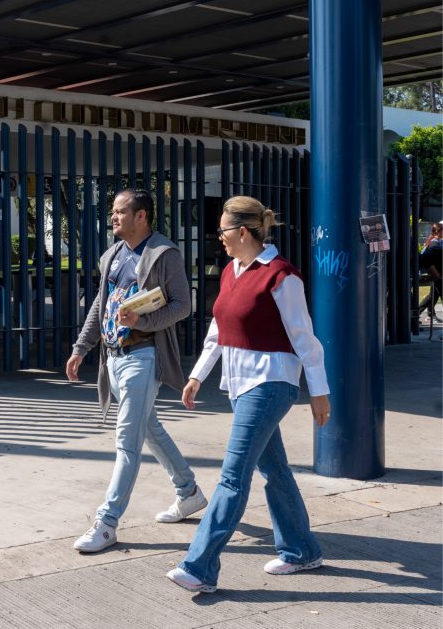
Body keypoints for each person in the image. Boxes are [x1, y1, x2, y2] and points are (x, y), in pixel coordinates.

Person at [166, 196, 331, 594]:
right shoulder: (231, 271)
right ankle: (301, 550)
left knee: (232, 477)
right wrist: (197, 375)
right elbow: (218, 329)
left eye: (222, 231)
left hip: (271, 383)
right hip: (239, 385)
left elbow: (305, 338)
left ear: (242, 232)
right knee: (274, 471)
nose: (218, 238)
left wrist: (319, 392)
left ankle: (200, 567)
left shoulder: (281, 276)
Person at [66, 188, 207, 553]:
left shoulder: (164, 254)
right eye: (113, 211)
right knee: (148, 428)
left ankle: (107, 522)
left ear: (141, 215)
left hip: (143, 356)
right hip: (112, 357)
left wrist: (145, 318)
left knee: (126, 440)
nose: (113, 217)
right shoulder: (111, 255)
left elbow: (182, 306)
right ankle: (188, 492)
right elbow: (101, 303)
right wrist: (82, 347)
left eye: (120, 211)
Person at [418, 222, 442, 324]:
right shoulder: (435, 243)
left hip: (438, 275)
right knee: (433, 296)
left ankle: (421, 313)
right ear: (439, 231)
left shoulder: (433, 242)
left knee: (432, 296)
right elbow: (425, 257)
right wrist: (433, 271)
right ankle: (417, 314)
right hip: (439, 275)